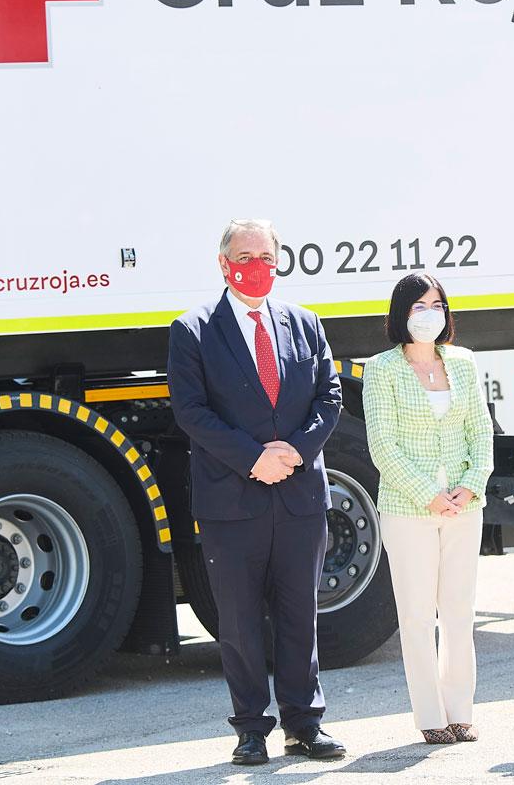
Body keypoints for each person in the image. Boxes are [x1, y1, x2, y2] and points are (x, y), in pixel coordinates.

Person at [167, 219, 346, 765]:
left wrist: (294, 451)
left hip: (299, 495)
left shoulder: (305, 324)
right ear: (224, 263)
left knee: (300, 614)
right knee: (240, 622)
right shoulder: (194, 329)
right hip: (233, 501)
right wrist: (253, 459)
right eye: (246, 256)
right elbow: (191, 411)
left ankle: (305, 724)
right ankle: (250, 729)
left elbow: (329, 395)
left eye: (267, 257)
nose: (257, 266)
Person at [362, 273, 495, 745]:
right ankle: (431, 717)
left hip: (464, 506)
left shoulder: (462, 362)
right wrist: (427, 493)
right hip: (408, 508)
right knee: (417, 616)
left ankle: (461, 711)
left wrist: (471, 485)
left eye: (436, 304)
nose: (429, 314)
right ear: (401, 314)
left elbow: (481, 431)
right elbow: (383, 445)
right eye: (419, 306)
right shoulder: (381, 369)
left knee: (460, 612)